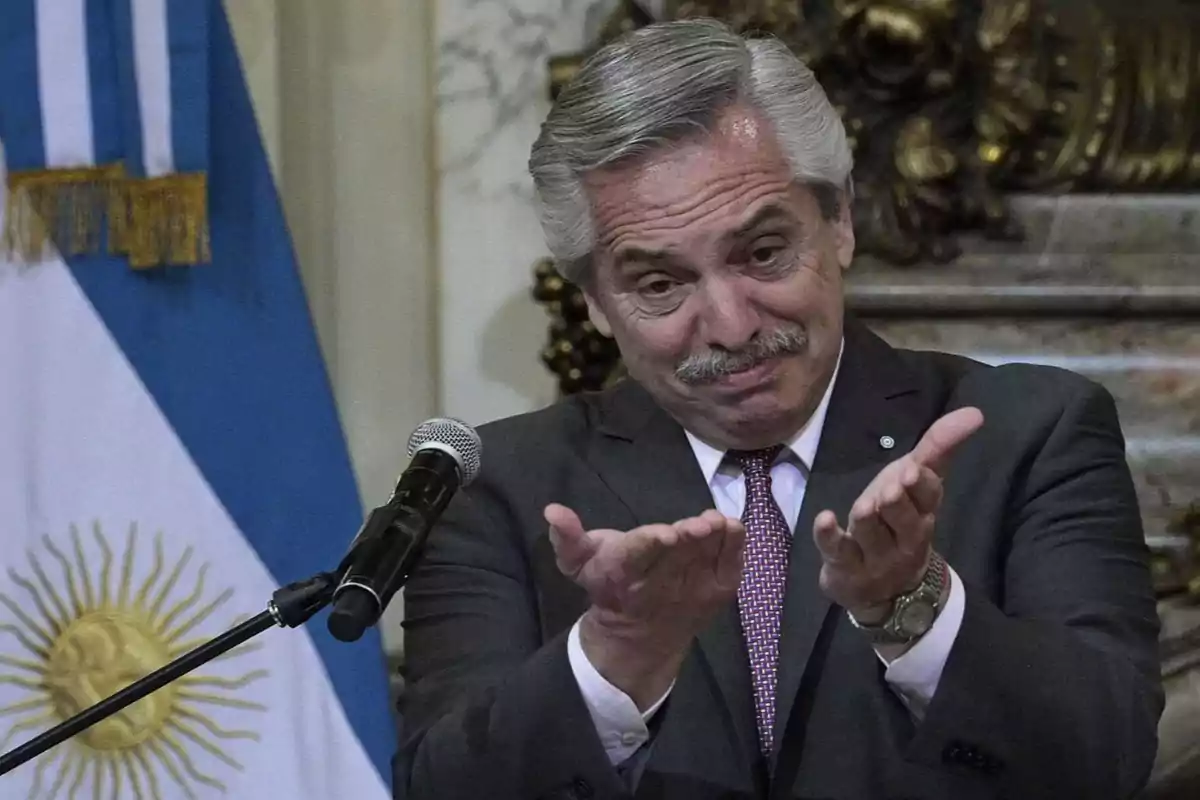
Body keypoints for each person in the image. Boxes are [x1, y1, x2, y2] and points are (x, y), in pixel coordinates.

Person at [392, 17, 1163, 800]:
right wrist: (616, 655)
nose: (731, 328)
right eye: (660, 284)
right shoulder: (500, 489)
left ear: (841, 223)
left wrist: (914, 610)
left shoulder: (1030, 433)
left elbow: (1107, 758)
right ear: (593, 302)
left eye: (762, 253)